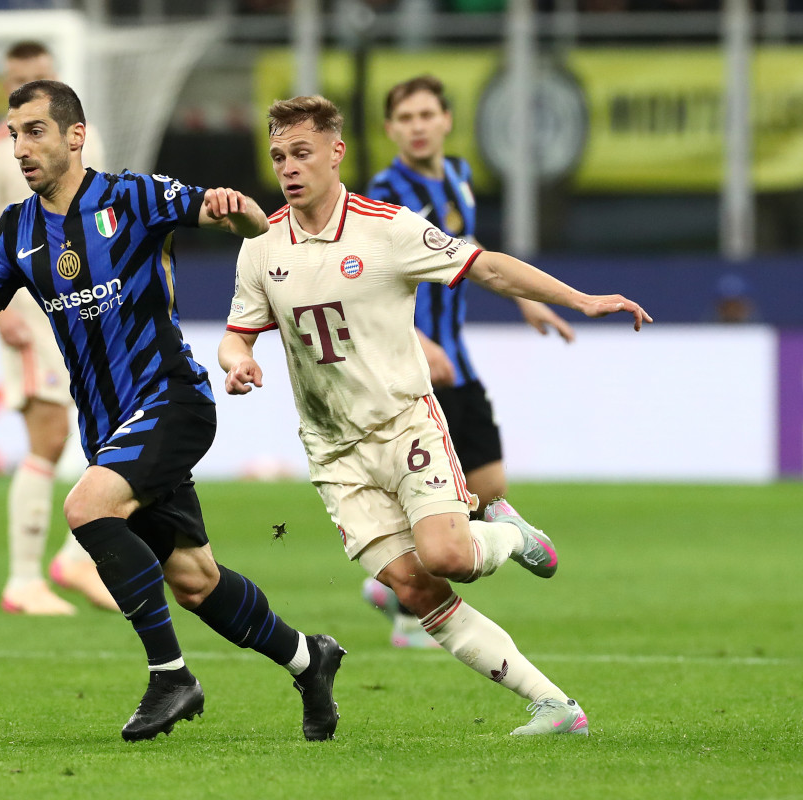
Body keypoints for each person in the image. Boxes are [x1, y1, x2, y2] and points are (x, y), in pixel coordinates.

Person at [0, 80, 344, 742]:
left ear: (75, 136)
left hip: (170, 399)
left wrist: (240, 209)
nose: (20, 147)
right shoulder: (18, 230)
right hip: (108, 426)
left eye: (35, 131)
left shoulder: (133, 197)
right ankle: (310, 659)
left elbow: (249, 223)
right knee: (194, 581)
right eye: (14, 133)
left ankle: (171, 677)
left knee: (85, 508)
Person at [219, 95, 651, 736]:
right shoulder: (261, 249)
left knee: (445, 555)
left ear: (336, 153)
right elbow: (238, 332)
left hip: (403, 423)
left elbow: (491, 269)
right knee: (414, 588)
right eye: (279, 155)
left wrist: (581, 300)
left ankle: (510, 535)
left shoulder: (387, 228)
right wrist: (236, 362)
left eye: (302, 152)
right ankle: (555, 706)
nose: (289, 167)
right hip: (333, 450)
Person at [360, 74, 575, 648]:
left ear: (446, 120)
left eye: (427, 115)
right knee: (451, 498)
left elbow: (470, 254)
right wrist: (417, 341)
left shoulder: (458, 177)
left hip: (458, 361)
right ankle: (410, 607)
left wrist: (528, 303)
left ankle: (393, 589)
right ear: (391, 130)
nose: (418, 126)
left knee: (485, 492)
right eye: (406, 119)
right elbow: (369, 280)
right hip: (414, 367)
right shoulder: (384, 192)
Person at [0, 41, 115, 616]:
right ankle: (25, 578)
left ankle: (76, 557)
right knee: (47, 435)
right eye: (18, 79)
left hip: (80, 304)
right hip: (27, 310)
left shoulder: (79, 140)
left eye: (39, 76)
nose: (27, 84)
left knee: (113, 428)